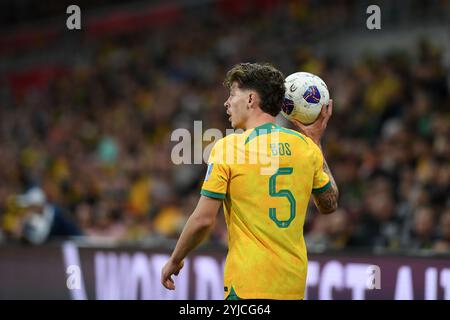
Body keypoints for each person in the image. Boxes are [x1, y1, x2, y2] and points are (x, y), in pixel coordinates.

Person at [161, 62, 339, 300]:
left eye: (233, 94)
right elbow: (329, 204)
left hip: (247, 286)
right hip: (292, 286)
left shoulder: (228, 148)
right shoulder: (306, 148)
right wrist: (316, 144)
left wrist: (175, 259)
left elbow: (203, 220)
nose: (226, 102)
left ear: (251, 99)